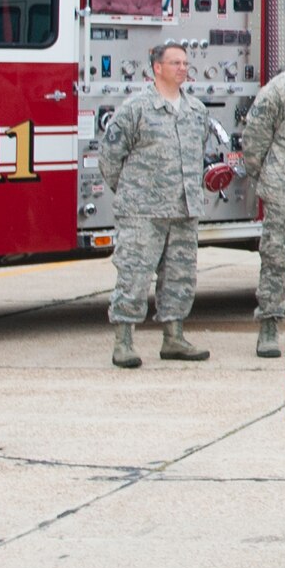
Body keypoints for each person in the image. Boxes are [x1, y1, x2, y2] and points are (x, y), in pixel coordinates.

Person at [100, 42, 216, 368]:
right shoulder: (136, 109)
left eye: (185, 62)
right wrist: (129, 191)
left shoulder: (196, 111)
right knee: (134, 275)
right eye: (175, 62)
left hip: (183, 208)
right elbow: (110, 156)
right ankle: (124, 341)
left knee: (180, 277)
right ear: (157, 68)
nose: (182, 68)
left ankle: (174, 337)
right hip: (143, 211)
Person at [235, 56, 285, 357]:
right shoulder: (279, 88)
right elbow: (253, 140)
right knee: (278, 262)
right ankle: (269, 326)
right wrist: (266, 176)